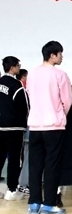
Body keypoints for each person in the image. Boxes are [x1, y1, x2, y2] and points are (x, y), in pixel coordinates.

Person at [26, 41, 72, 214]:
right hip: (54, 125)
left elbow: (30, 95)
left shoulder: (32, 73)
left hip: (35, 125)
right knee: (52, 165)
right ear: (52, 55)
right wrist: (60, 115)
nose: (62, 57)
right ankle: (49, 204)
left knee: (35, 165)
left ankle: (34, 203)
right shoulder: (60, 75)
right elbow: (67, 101)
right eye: (60, 54)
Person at [0, 56, 29, 201]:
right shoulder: (16, 85)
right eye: (18, 66)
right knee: (14, 159)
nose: (19, 68)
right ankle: (11, 190)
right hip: (14, 127)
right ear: (12, 67)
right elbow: (25, 105)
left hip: (0, 127)